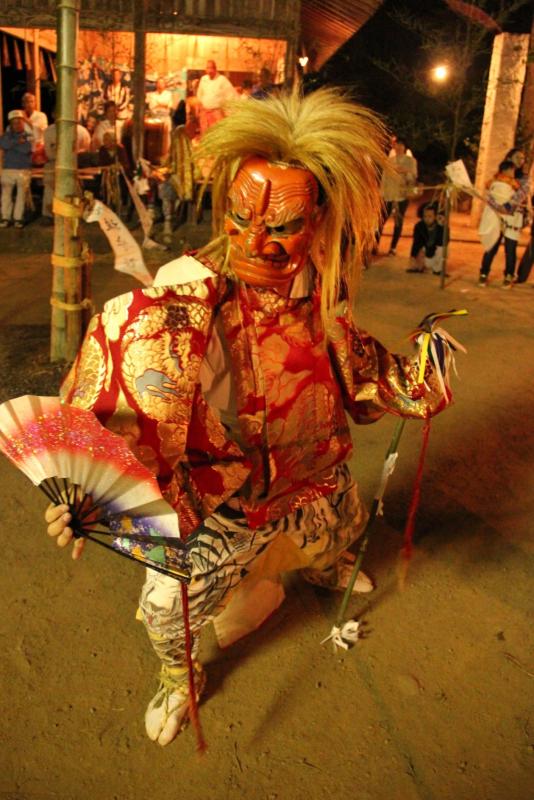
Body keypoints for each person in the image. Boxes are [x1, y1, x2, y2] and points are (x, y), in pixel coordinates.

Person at [44, 89, 458, 748]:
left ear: (318, 220)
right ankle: (181, 679)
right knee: (164, 612)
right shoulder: (185, 296)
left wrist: (422, 376)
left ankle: (322, 564)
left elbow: (360, 372)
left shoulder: (323, 287)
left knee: (342, 528)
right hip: (224, 506)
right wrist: (89, 488)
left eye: (284, 224)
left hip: (313, 480)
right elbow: (133, 407)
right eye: (241, 216)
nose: (257, 240)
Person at [478, 159, 526, 288]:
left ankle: (508, 275)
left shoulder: (520, 182)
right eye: (511, 169)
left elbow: (520, 199)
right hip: (497, 218)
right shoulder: (495, 183)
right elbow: (492, 197)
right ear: (505, 169)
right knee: (492, 246)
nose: (513, 171)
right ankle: (484, 273)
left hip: (511, 220)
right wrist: (502, 207)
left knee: (510, 250)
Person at [42, 116, 91, 219]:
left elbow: (86, 149)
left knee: (73, 187)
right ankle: (48, 214)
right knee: (49, 184)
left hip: (74, 164)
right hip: (53, 163)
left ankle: (74, 213)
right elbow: (47, 150)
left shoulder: (81, 131)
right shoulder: (49, 131)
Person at [376, 137, 417, 255]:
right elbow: (384, 177)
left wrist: (405, 172)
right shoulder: (389, 160)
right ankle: (375, 245)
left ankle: (393, 248)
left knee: (398, 222)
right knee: (381, 221)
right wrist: (381, 192)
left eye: (401, 145)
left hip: (402, 195)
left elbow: (413, 177)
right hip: (388, 194)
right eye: (397, 144)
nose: (399, 147)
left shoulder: (411, 161)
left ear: (405, 147)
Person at [0, 110, 33, 229]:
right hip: (8, 170)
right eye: (14, 122)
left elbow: (26, 149)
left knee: (21, 196)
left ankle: (18, 219)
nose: (17, 125)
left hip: (23, 170)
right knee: (6, 195)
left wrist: (13, 145)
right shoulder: (6, 135)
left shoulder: (29, 136)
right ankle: (5, 218)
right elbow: (3, 144)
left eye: (20, 122)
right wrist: (18, 142)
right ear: (10, 124)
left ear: (23, 122)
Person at [196, 60, 236, 134]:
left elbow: (231, 95)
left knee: (216, 134)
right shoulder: (203, 79)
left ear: (215, 69)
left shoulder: (222, 79)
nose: (209, 70)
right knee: (205, 135)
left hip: (217, 113)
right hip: (204, 113)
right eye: (208, 68)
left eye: (211, 68)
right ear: (205, 69)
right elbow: (200, 94)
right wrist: (199, 106)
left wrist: (229, 112)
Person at [406, 203, 444, 274]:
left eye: (430, 216)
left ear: (435, 217)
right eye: (425, 216)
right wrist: (413, 256)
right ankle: (421, 267)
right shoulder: (419, 226)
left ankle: (437, 270)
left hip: (434, 255)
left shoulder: (440, 227)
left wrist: (443, 227)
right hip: (425, 256)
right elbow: (416, 243)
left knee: (443, 249)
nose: (427, 219)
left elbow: (443, 242)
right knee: (421, 250)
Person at [104, 68, 131, 141]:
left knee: (120, 133)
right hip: (111, 114)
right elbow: (108, 99)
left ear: (120, 76)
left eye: (117, 75)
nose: (115, 76)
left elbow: (126, 101)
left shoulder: (124, 88)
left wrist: (118, 109)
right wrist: (112, 108)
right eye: (114, 75)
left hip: (121, 114)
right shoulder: (109, 87)